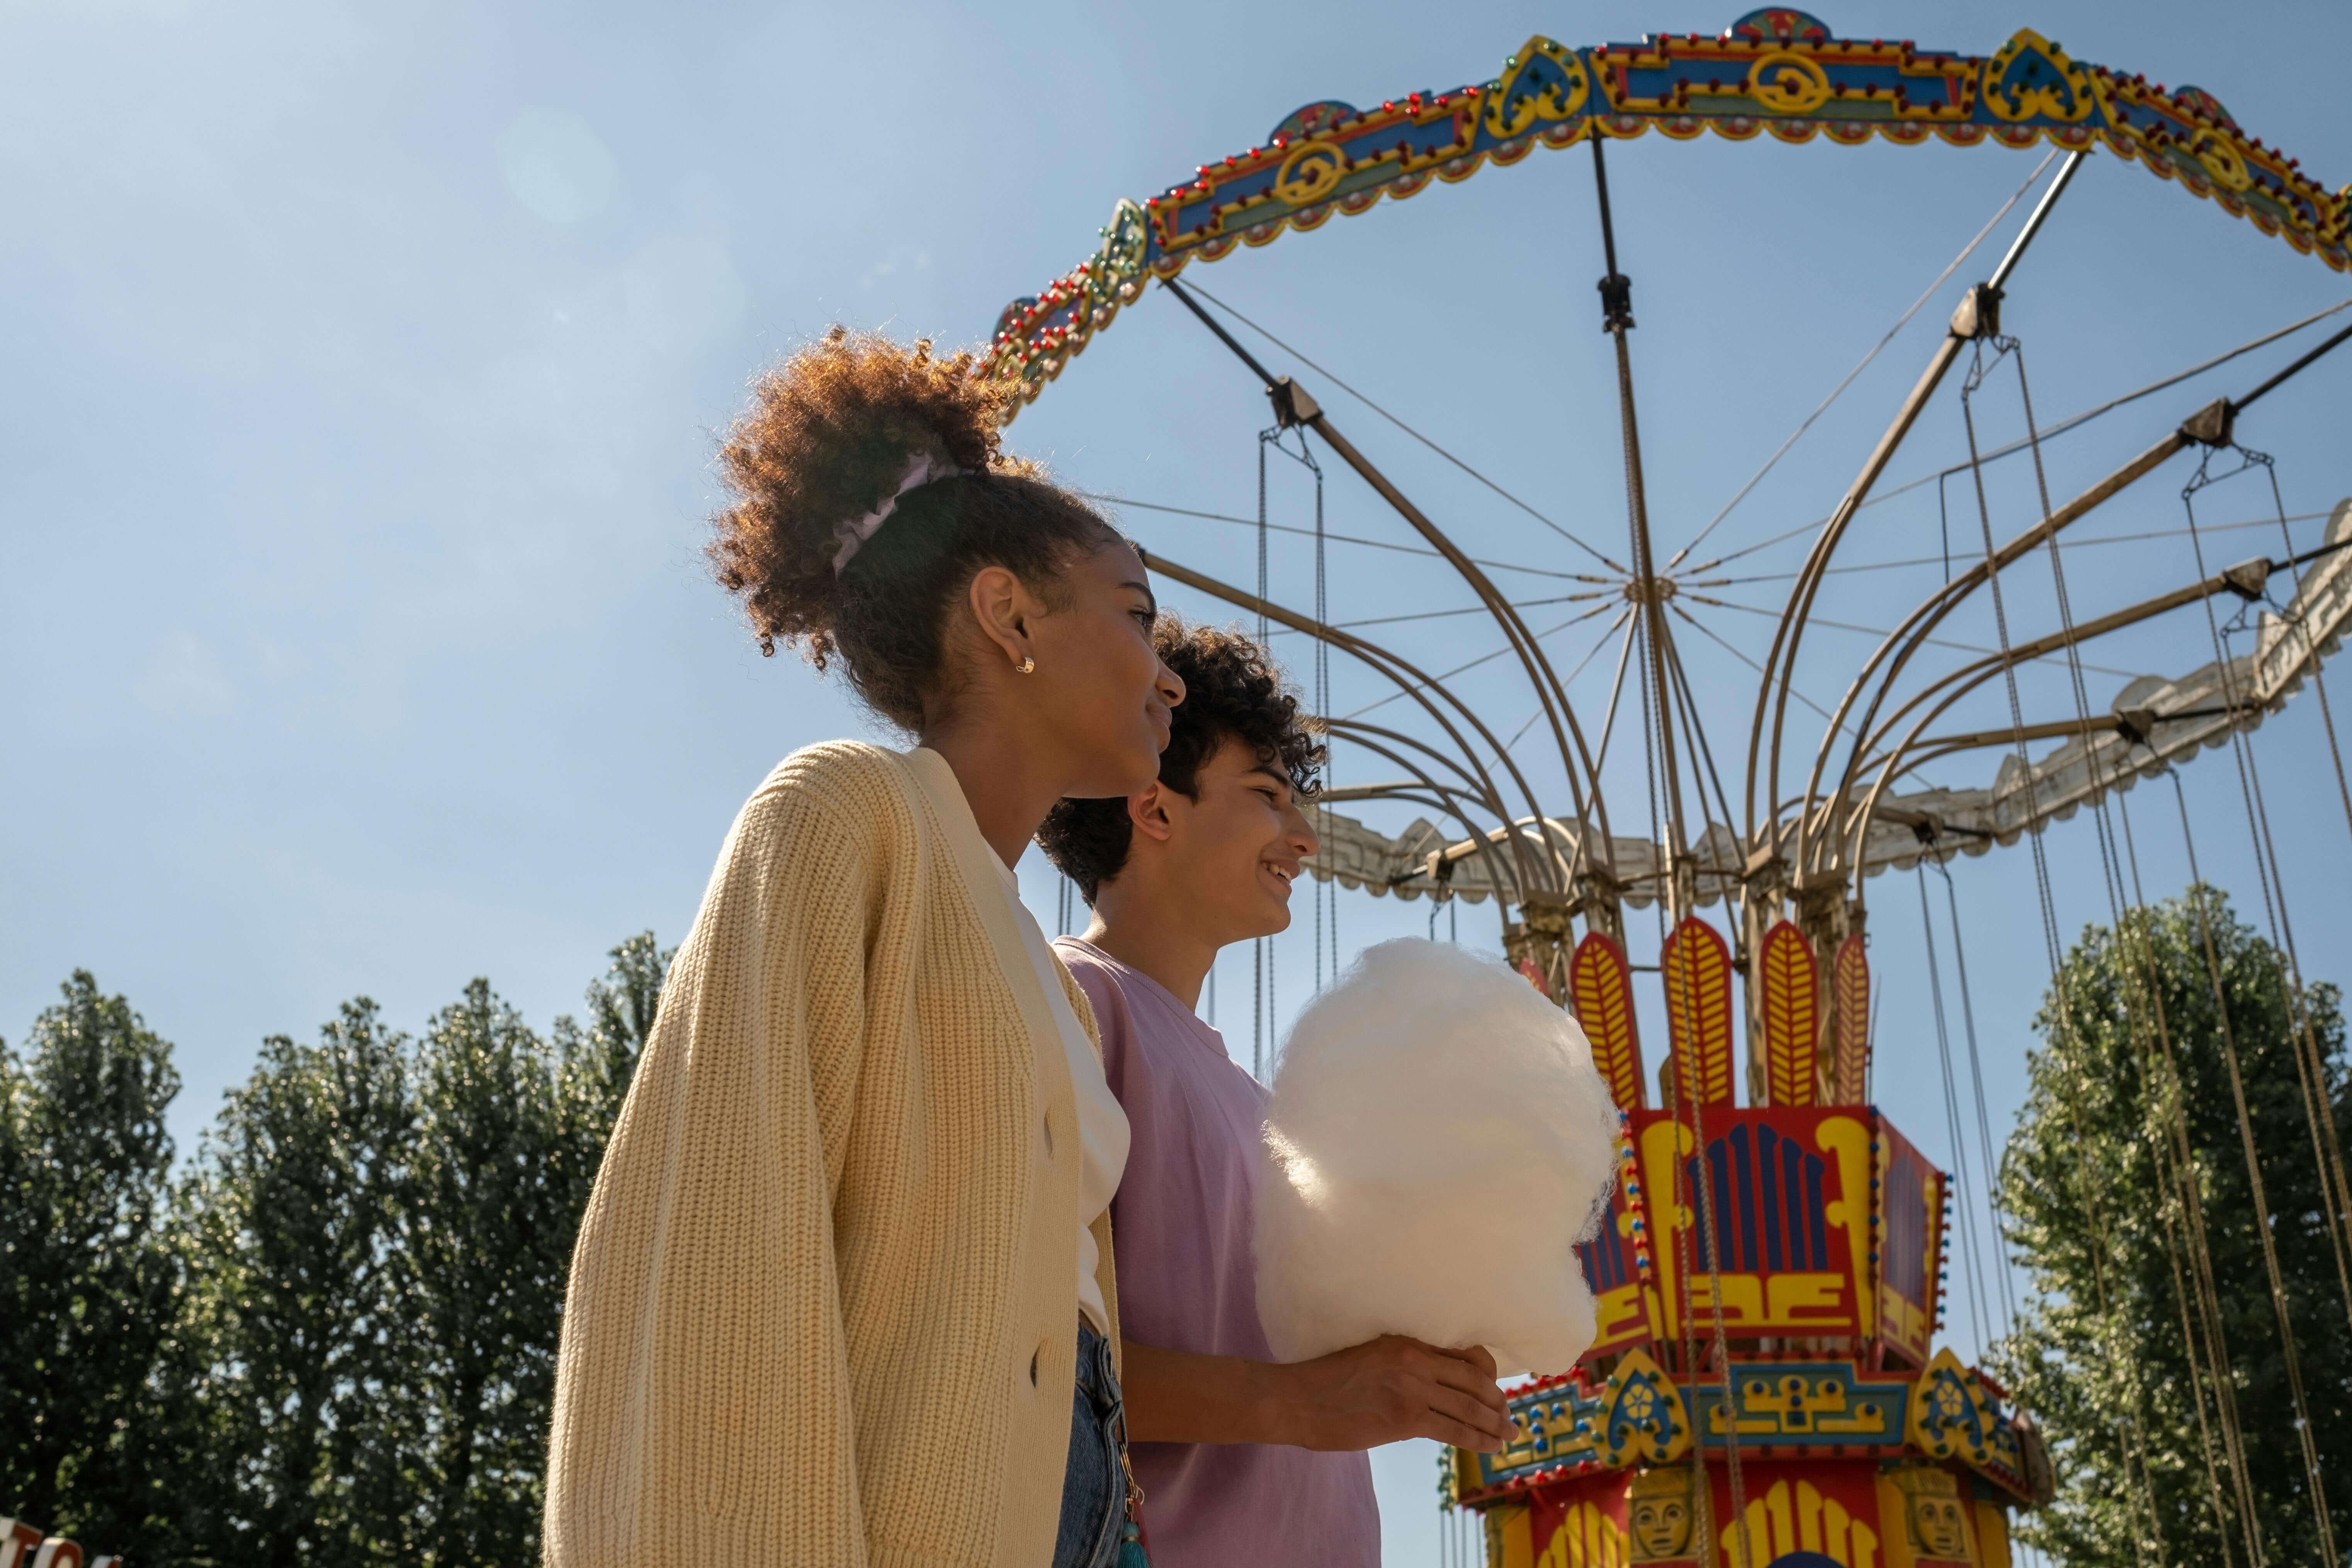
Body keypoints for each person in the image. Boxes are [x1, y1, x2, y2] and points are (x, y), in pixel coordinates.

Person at [543, 329, 1184, 1568]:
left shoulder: (1041, 966)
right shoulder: (840, 813)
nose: (1167, 676)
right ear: (1008, 614)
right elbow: (712, 1273)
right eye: (1138, 616)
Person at [1037, 620, 1510, 1568]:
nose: (1301, 837)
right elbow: (1025, 1345)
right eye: (1265, 797)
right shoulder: (1071, 1002)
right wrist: (1302, 1402)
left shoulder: (1253, 1098)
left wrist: (1402, 1368)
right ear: (1153, 805)